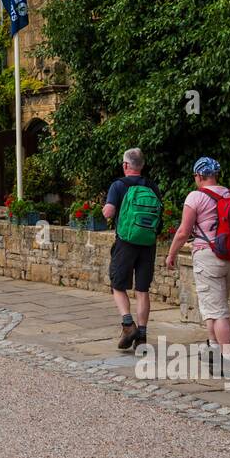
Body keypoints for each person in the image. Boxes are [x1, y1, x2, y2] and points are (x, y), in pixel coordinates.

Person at [165, 157, 230, 374]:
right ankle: (213, 349)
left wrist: (171, 254)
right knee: (213, 306)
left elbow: (184, 231)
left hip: (208, 257)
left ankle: (228, 360)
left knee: (219, 311)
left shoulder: (196, 197)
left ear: (200, 175)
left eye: (195, 176)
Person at [102, 148, 163, 351]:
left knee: (117, 284)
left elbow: (109, 212)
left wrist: (105, 210)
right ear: (142, 165)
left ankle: (128, 325)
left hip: (126, 242)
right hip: (148, 243)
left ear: (126, 165)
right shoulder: (151, 186)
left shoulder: (118, 185)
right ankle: (142, 336)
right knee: (142, 290)